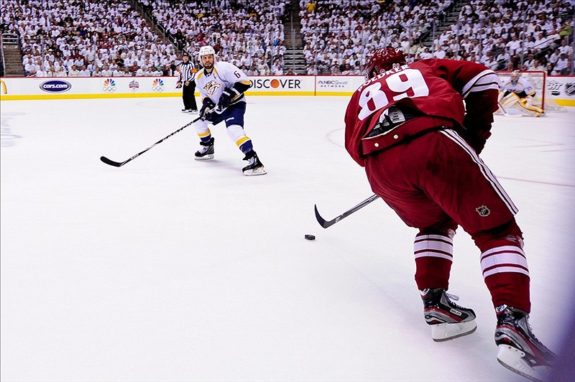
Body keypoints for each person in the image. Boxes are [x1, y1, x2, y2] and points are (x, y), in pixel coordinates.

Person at [344, 47, 555, 381]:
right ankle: (514, 325)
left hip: (379, 166)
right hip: (433, 141)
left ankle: (437, 305)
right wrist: (473, 133)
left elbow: (352, 146)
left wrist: (395, 165)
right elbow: (483, 76)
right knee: (497, 230)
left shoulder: (359, 94)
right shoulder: (425, 65)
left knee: (433, 222)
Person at [192, 45, 266, 176]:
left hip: (235, 104)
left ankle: (254, 160)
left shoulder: (224, 68)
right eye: (205, 58)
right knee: (199, 122)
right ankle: (208, 146)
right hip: (219, 108)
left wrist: (229, 94)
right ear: (200, 60)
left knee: (233, 130)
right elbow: (205, 96)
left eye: (210, 57)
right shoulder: (199, 77)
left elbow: (245, 82)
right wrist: (206, 105)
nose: (208, 60)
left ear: (214, 57)